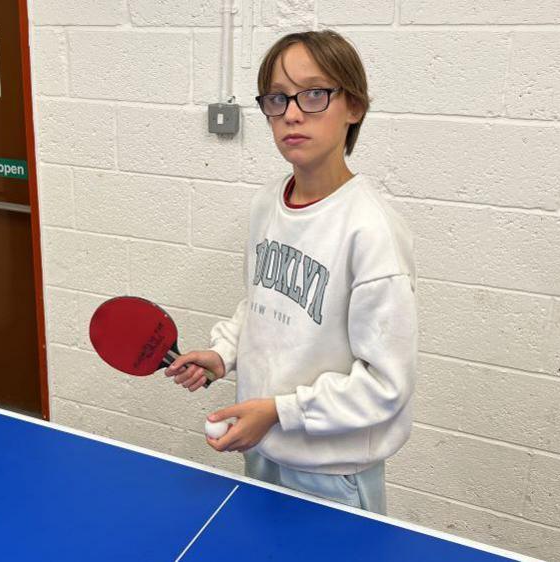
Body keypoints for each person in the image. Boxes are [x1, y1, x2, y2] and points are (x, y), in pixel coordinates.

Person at [165, 30, 417, 515]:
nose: (292, 113)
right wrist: (224, 353)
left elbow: (386, 384)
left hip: (332, 475)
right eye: (277, 99)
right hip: (262, 449)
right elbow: (261, 304)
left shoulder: (372, 231)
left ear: (355, 107)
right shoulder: (267, 204)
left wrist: (279, 411)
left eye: (314, 94)